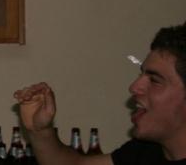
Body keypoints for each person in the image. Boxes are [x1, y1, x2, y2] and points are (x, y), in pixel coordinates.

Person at [13, 23, 186, 165]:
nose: (134, 87)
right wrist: (40, 130)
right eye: (141, 75)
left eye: (154, 80)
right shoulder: (146, 150)